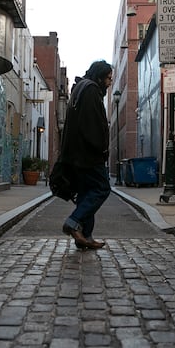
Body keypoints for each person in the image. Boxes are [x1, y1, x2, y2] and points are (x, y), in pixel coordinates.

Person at [58, 60, 113, 250]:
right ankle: (74, 222)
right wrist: (102, 149)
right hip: (88, 155)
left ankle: (85, 236)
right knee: (101, 188)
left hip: (77, 155)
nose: (110, 82)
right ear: (99, 76)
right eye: (108, 78)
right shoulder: (90, 91)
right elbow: (92, 126)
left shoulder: (81, 88)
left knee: (86, 193)